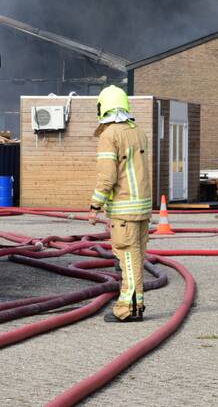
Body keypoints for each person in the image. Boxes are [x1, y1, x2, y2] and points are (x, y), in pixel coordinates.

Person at [87, 85, 152, 323]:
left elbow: (107, 177)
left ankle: (129, 309)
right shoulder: (138, 132)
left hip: (124, 211)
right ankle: (132, 305)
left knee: (128, 260)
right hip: (142, 208)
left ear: (102, 107)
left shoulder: (110, 135)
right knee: (136, 259)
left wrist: (95, 206)